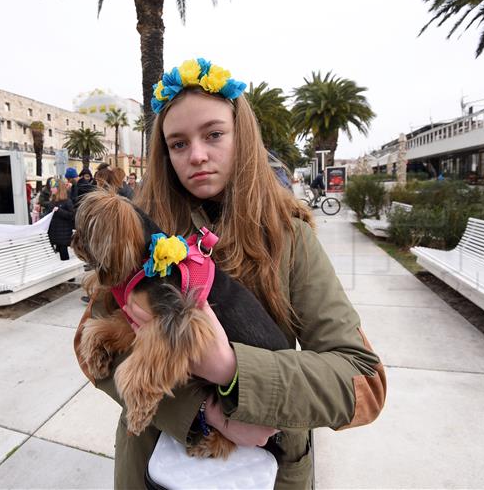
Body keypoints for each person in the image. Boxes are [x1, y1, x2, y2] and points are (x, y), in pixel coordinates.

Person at [73, 58, 386, 488]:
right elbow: (91, 347)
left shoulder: (290, 238)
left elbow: (363, 384)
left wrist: (233, 371)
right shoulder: (138, 229)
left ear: (243, 136)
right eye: (178, 144)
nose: (197, 155)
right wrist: (205, 412)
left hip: (264, 469)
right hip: (154, 467)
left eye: (214, 134)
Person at [46, 178, 75, 261]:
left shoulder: (67, 201)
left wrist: (59, 210)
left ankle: (67, 270)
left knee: (63, 253)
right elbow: (48, 215)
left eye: (53, 187)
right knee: (56, 255)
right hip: (54, 232)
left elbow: (72, 215)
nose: (51, 189)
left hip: (63, 234)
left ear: (59, 188)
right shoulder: (52, 201)